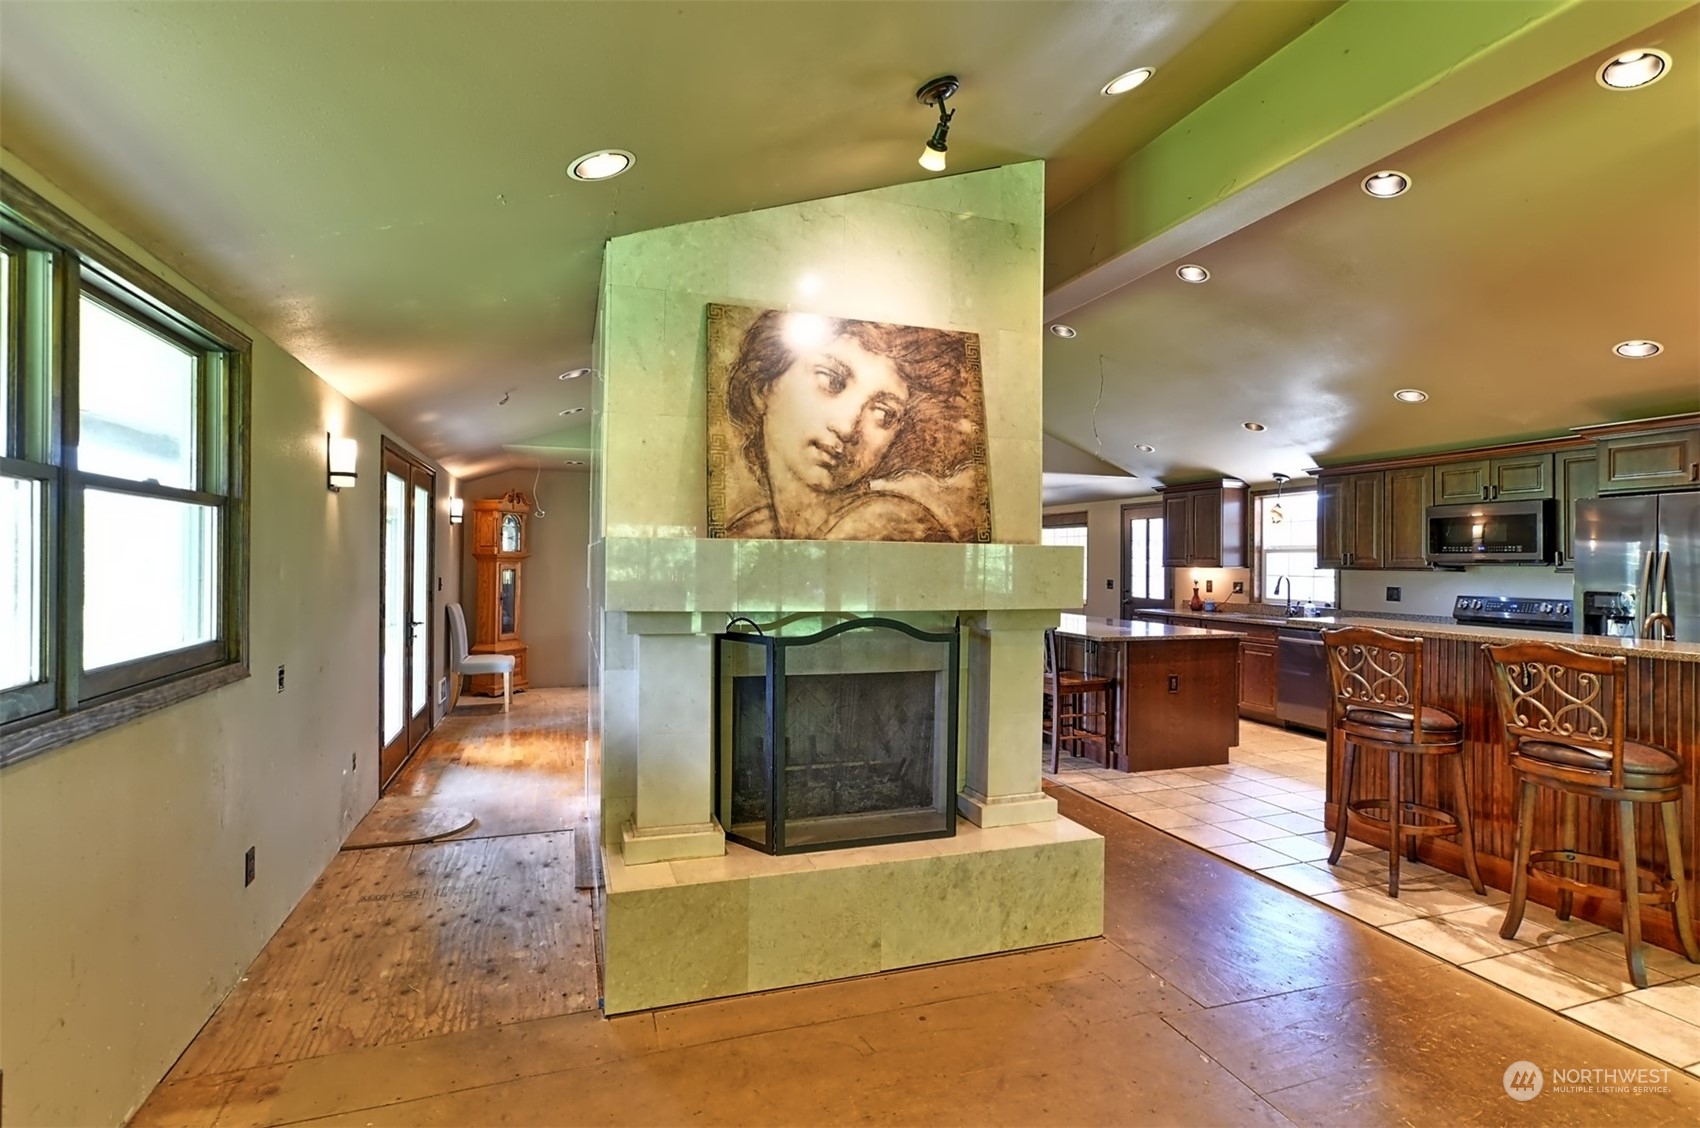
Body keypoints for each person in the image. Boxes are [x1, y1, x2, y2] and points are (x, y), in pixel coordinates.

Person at [720, 309, 984, 541]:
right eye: (832, 381)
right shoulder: (752, 530)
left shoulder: (890, 525)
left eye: (883, 414)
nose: (846, 428)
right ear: (764, 386)